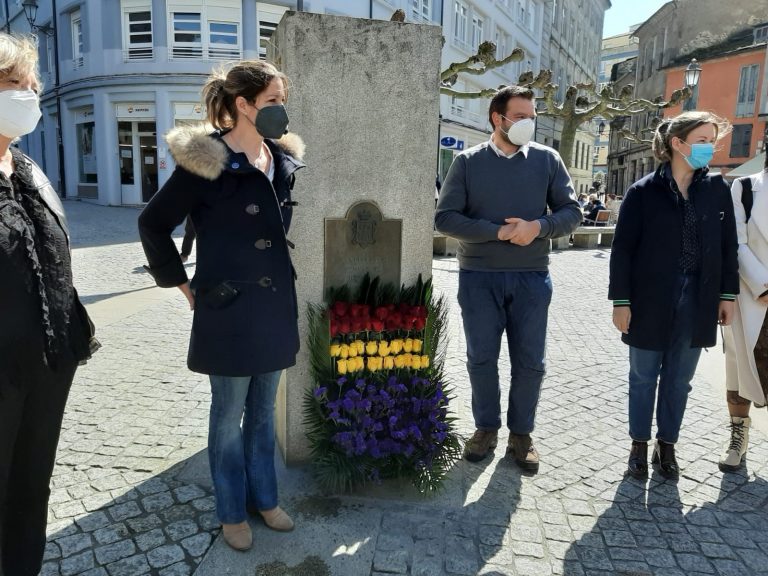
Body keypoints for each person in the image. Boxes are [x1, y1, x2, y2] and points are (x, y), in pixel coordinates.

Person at [138, 60, 305, 552]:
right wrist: (179, 283)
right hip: (229, 308)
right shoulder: (205, 162)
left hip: (273, 306)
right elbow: (152, 222)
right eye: (272, 101)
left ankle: (265, 499)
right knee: (228, 414)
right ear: (242, 105)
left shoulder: (279, 159)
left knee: (261, 415)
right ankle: (232, 510)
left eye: (281, 100)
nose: (281, 109)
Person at [435, 85, 581, 472]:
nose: (528, 123)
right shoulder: (467, 163)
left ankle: (521, 435)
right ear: (497, 118)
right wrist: (495, 231)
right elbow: (445, 218)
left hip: (532, 277)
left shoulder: (547, 160)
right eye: (520, 116)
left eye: (531, 116)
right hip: (479, 277)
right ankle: (486, 428)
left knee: (531, 362)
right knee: (481, 359)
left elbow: (571, 212)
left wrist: (539, 226)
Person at [0, 33, 97, 575]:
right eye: (14, 84)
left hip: (48, 362)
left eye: (31, 84)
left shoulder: (28, 169)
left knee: (31, 482)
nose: (29, 95)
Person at [609, 111, 738, 480]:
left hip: (699, 298)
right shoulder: (643, 191)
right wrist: (621, 301)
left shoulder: (716, 189)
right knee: (643, 376)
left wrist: (726, 295)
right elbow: (623, 250)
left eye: (712, 139)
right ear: (677, 144)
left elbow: (728, 246)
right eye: (701, 139)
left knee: (680, 379)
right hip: (650, 298)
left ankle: (667, 446)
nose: (708, 147)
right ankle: (638, 445)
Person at [720, 159, 768, 471]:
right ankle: (738, 435)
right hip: (753, 294)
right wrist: (761, 284)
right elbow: (734, 241)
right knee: (740, 366)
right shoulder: (747, 187)